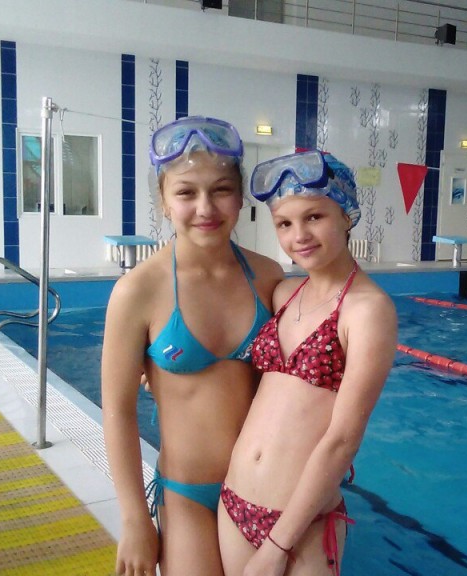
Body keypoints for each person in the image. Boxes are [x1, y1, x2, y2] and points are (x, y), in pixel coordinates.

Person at [102, 116, 283, 576]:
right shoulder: (138, 291)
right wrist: (135, 519)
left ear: (240, 198)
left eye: (221, 190)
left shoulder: (268, 277)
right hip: (188, 495)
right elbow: (118, 412)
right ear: (164, 201)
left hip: (263, 488)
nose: (206, 207)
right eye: (186, 192)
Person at [218, 150, 397, 576]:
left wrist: (277, 545)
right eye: (284, 223)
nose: (299, 235)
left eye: (314, 217)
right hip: (234, 502)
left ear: (346, 216)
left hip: (302, 526)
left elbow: (342, 440)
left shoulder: (367, 310)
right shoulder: (284, 294)